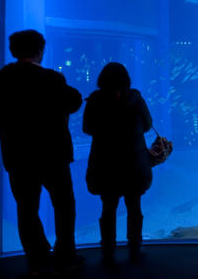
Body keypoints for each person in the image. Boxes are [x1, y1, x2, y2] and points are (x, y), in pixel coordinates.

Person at [0, 29, 84, 276]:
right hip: (54, 156)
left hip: (18, 157)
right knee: (64, 206)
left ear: (13, 51)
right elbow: (74, 101)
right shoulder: (52, 79)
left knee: (26, 208)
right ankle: (65, 257)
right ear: (41, 50)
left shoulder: (2, 80)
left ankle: (38, 259)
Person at [83, 62, 153, 266]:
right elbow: (148, 125)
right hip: (133, 163)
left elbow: (87, 128)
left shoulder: (95, 100)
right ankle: (135, 250)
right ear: (126, 80)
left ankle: (108, 252)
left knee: (108, 209)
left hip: (105, 164)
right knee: (134, 208)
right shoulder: (136, 99)